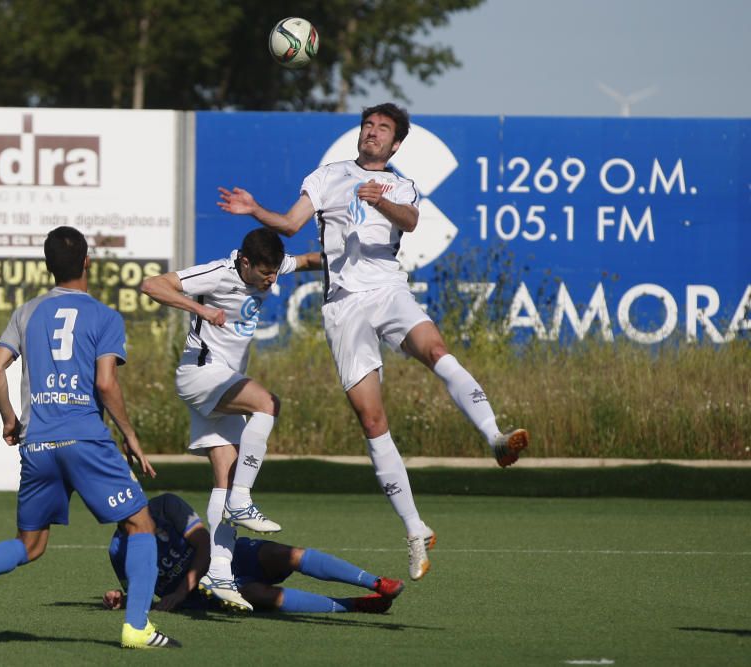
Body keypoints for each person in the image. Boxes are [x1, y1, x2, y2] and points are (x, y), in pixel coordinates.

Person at [217, 103, 529, 582]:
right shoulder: (327, 176)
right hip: (343, 306)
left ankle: (495, 437)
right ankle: (414, 530)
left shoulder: (401, 185)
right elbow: (289, 224)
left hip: (389, 291)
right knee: (372, 419)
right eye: (368, 126)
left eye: (383, 129)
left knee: (437, 350)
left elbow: (409, 220)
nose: (373, 133)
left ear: (396, 143)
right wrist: (255, 209)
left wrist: (379, 200)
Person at [0, 226, 179, 650]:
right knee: (140, 523)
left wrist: (10, 420)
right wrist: (129, 434)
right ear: (87, 262)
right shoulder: (104, 316)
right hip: (86, 440)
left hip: (37, 444)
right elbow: (107, 383)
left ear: (47, 266)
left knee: (30, 545)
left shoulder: (27, 312)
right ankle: (137, 628)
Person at [140, 228, 320, 612]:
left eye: (275, 273)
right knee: (267, 404)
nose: (272, 281)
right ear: (245, 263)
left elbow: (306, 261)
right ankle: (242, 501)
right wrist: (201, 309)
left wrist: (354, 261)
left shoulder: (268, 266)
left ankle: (220, 571)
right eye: (265, 274)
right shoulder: (218, 273)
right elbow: (151, 284)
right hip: (202, 375)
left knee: (226, 472)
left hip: (220, 382)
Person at [102, 493, 404, 615]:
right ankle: (353, 605)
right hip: (205, 593)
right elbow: (143, 596)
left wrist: (180, 590)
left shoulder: (167, 505)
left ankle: (376, 583)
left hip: (228, 558)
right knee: (255, 592)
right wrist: (122, 599)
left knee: (281, 553)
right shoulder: (118, 550)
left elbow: (205, 545)